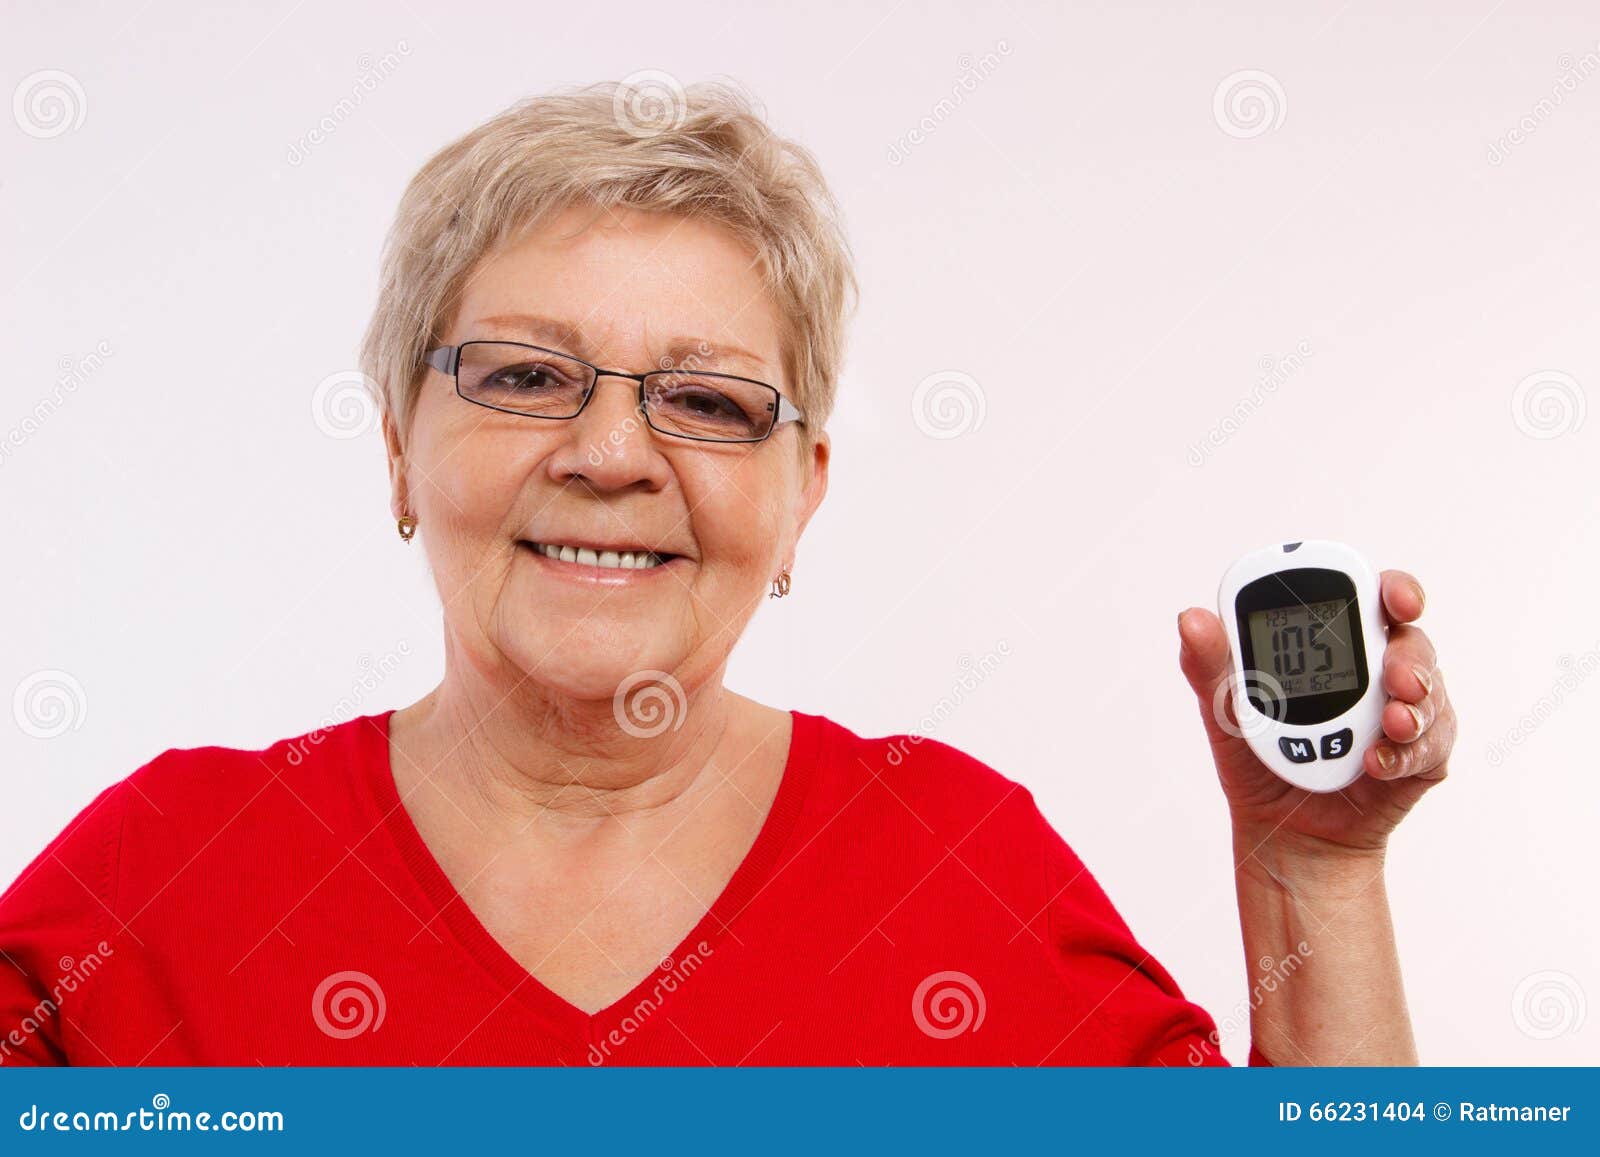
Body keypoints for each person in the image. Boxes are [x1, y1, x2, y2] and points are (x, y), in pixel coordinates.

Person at [0, 81, 1454, 1067]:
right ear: (396, 448)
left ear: (801, 495)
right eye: (524, 374)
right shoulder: (159, 874)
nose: (612, 452)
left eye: (707, 401)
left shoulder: (954, 867)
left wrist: (1312, 865)